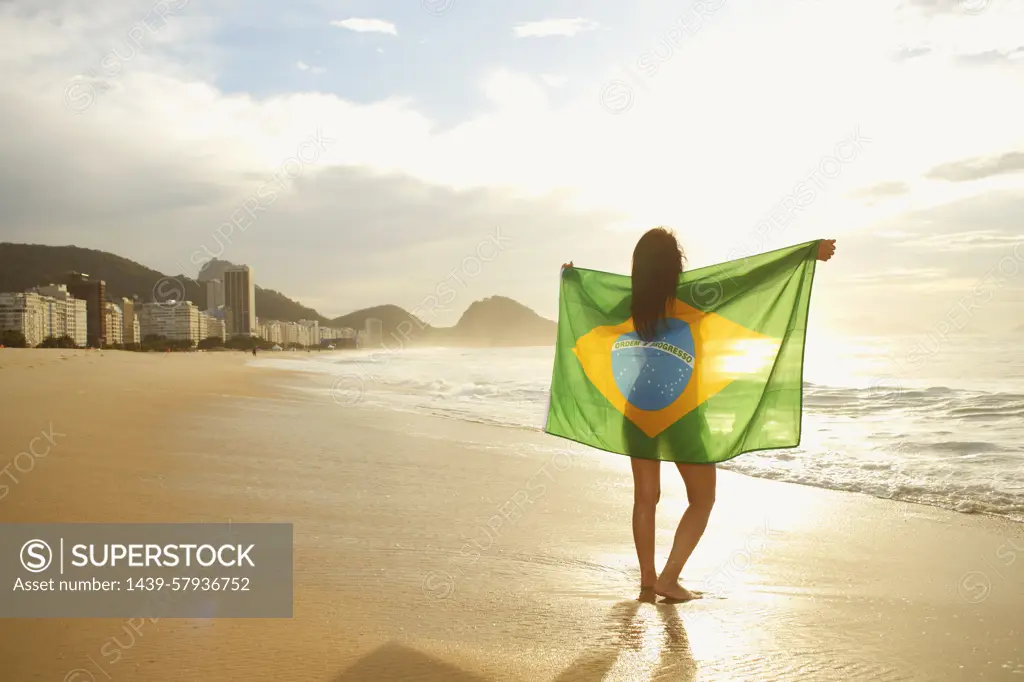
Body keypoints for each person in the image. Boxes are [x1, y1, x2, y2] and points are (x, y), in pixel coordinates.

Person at [562, 228, 837, 603]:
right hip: (682, 409)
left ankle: (648, 580)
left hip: (637, 407)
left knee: (645, 497)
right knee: (702, 499)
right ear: (675, 264)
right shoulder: (694, 294)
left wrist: (574, 279)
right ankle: (669, 579)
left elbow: (590, 303)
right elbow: (751, 277)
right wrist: (804, 255)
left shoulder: (631, 302)